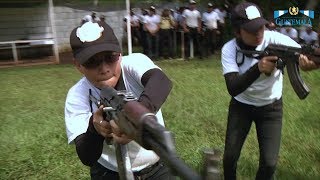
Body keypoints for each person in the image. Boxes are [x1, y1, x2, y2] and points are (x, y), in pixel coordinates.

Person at [64, 21, 175, 179]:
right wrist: (95, 130)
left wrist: (134, 120)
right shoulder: (76, 96)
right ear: (78, 65)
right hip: (109, 173)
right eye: (92, 62)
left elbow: (161, 81)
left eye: (110, 57)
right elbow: (86, 156)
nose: (104, 68)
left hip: (157, 168)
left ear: (120, 54)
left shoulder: (133, 63)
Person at [221, 2, 315, 180]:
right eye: (251, 29)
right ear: (237, 32)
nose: (258, 33)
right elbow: (233, 87)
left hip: (271, 108)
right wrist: (258, 68)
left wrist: (311, 64)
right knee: (230, 158)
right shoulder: (229, 49)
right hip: (241, 106)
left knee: (270, 164)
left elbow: (307, 55)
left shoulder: (276, 40)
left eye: (260, 27)